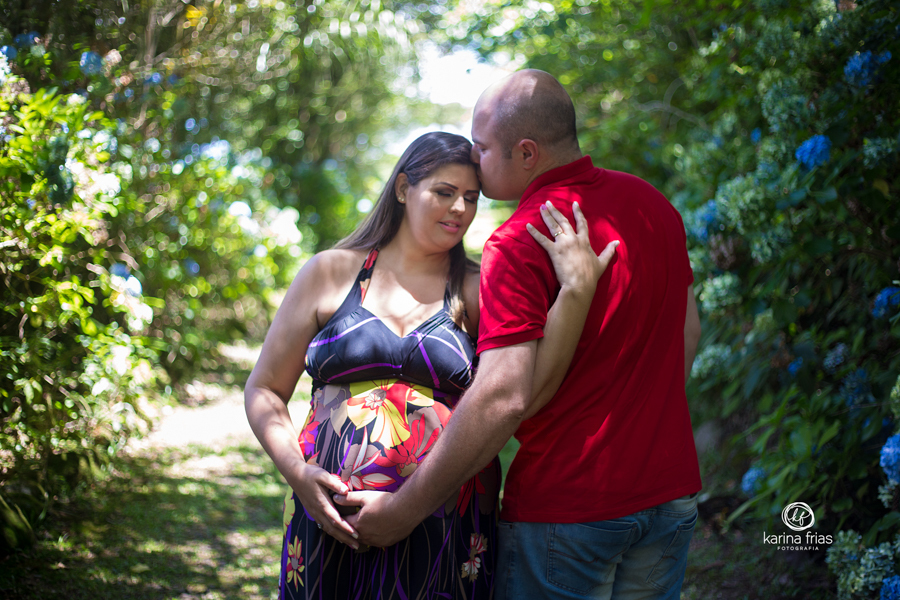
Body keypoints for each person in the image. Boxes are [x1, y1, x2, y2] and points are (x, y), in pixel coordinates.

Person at [338, 70, 703, 600]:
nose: (473, 160)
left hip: (568, 507)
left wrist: (404, 508)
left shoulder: (519, 240)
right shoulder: (653, 207)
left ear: (526, 153)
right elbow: (688, 333)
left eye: (482, 148)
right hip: (669, 497)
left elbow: (503, 397)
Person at [244, 131, 618, 599]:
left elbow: (529, 391)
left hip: (445, 521)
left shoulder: (478, 287)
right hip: (328, 517)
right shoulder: (330, 272)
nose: (460, 208)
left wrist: (575, 293)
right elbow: (264, 390)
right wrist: (299, 476)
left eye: (470, 197)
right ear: (403, 188)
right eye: (444, 192)